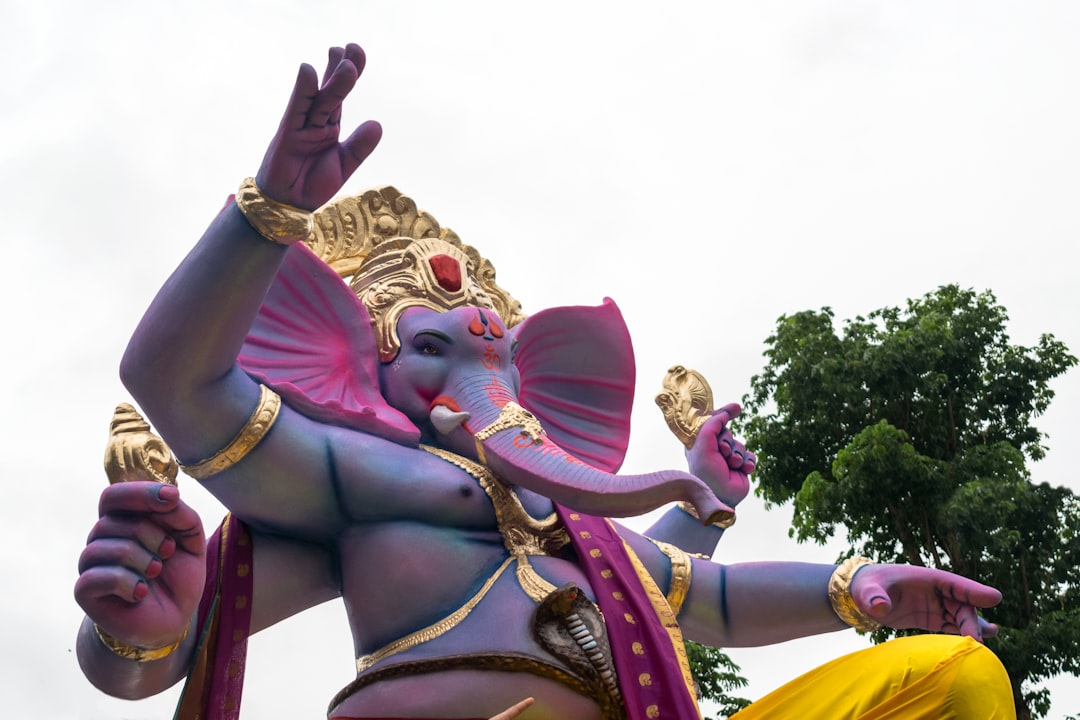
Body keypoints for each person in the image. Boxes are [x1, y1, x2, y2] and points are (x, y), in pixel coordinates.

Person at [75, 43, 1015, 719]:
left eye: (498, 361)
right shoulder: (356, 486)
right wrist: (269, 211)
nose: (488, 383)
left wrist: (852, 587)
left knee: (956, 681)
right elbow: (176, 386)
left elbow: (704, 598)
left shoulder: (571, 526)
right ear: (353, 376)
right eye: (435, 352)